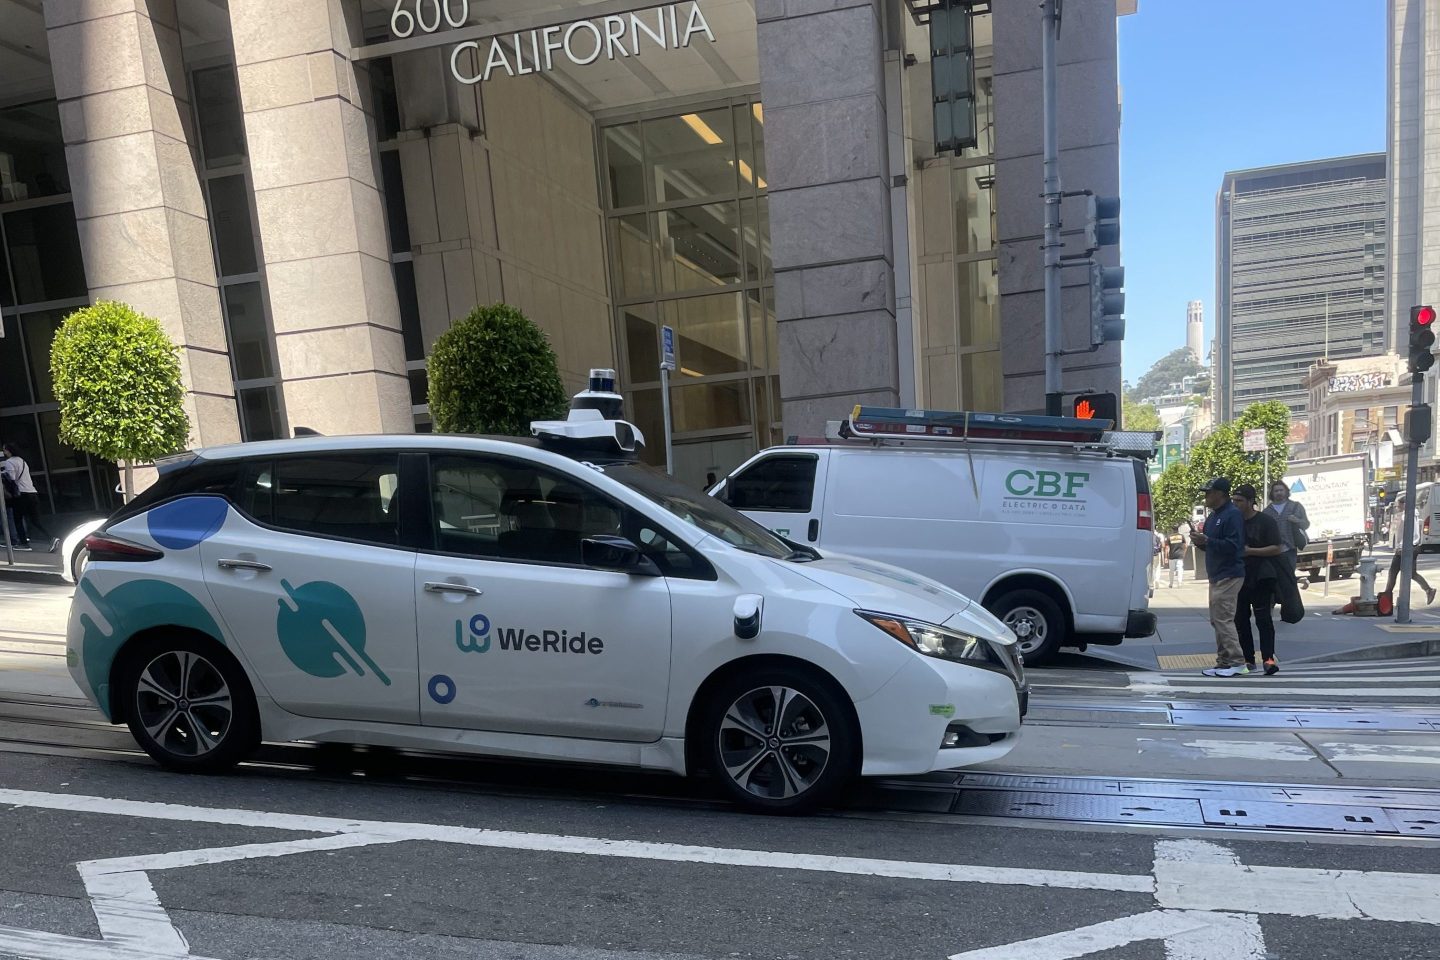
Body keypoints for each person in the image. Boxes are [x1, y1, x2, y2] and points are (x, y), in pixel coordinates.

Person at [1190, 477, 1248, 677]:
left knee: (1223, 619)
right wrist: (1201, 542)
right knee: (1217, 619)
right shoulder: (1214, 516)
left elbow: (1234, 546)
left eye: (1209, 492)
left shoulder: (1232, 515)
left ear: (1220, 494)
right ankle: (1224, 661)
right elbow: (1212, 545)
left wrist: (1207, 540)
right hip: (1218, 574)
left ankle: (1236, 662)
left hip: (1229, 573)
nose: (1206, 496)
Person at [1232, 484, 1285, 676]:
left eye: (1239, 501)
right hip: (1238, 577)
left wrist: (1251, 551)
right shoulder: (1234, 521)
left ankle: (1268, 660)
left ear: (1250, 502)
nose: (1235, 504)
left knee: (1263, 620)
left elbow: (1277, 548)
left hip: (1262, 576)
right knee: (1240, 620)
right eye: (1233, 500)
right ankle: (1248, 659)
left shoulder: (1265, 521)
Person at [0, 442, 59, 552]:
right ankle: (51, 538)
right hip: (32, 493)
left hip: (21, 495)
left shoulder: (9, 462)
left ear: (9, 451)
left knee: (17, 519)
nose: (4, 452)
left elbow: (11, 478)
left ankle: (23, 543)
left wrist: (3, 475)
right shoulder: (22, 461)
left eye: (5, 450)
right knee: (35, 520)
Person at [1383, 513, 1437, 606]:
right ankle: (1428, 590)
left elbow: (1404, 533)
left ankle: (1386, 597)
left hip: (1405, 548)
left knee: (1394, 572)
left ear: (1403, 504)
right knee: (1409, 573)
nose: (1397, 508)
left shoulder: (1405, 515)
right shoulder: (1414, 514)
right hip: (1412, 547)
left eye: (1399, 505)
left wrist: (1399, 547)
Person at [1266, 480, 1310, 583]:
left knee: (1289, 577)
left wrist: (1297, 521)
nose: (1279, 493)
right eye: (1276, 491)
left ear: (1286, 491)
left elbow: (1306, 524)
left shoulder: (1296, 506)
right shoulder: (1267, 511)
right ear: (1272, 493)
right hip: (1273, 551)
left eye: (1281, 490)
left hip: (1290, 549)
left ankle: (1290, 598)